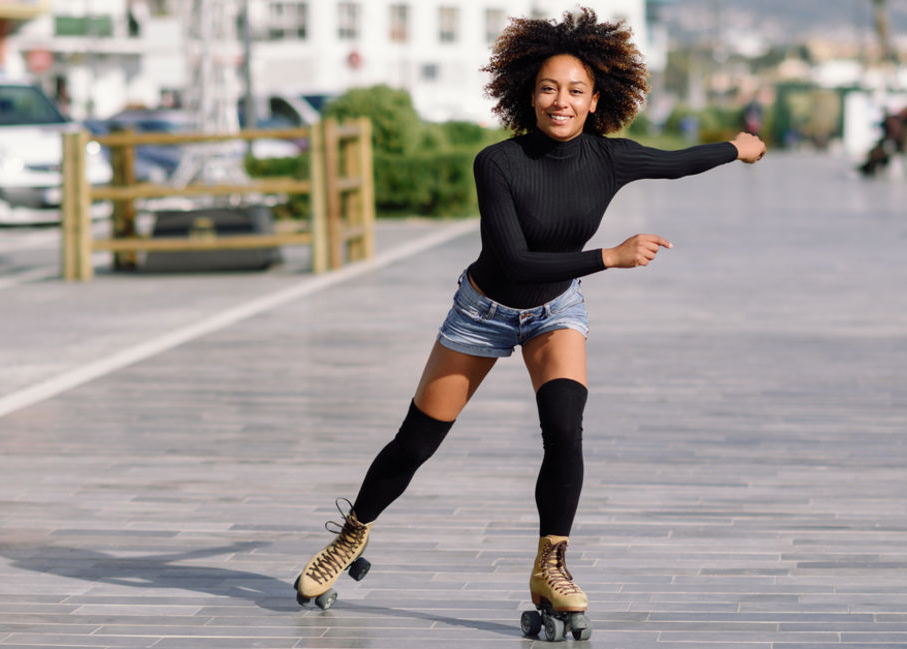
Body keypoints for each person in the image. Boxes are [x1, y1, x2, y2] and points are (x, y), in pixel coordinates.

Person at [293, 7, 766, 638]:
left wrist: (736, 149)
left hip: (555, 311)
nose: (561, 101)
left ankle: (553, 563)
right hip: (482, 312)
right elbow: (513, 258)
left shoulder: (610, 159)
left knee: (564, 429)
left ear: (597, 101)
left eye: (575, 91)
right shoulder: (498, 163)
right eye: (548, 88)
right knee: (416, 442)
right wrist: (612, 256)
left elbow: (678, 160)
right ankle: (351, 536)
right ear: (528, 94)